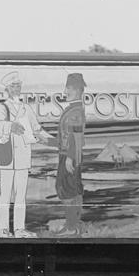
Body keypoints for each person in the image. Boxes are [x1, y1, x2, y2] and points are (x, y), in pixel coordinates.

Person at [0, 71, 51, 238]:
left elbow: (37, 129)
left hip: (23, 157)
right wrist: (11, 126)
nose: (17, 88)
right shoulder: (1, 107)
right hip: (7, 157)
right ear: (7, 89)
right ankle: (3, 230)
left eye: (18, 85)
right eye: (13, 86)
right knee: (5, 195)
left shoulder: (26, 108)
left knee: (20, 196)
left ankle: (19, 229)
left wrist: (55, 143)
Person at [55, 72, 87, 236]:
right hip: (70, 154)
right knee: (72, 188)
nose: (65, 91)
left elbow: (76, 136)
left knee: (66, 189)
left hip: (69, 156)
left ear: (77, 90)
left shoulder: (75, 111)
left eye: (69, 88)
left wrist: (70, 157)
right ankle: (74, 225)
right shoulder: (75, 109)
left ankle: (72, 227)